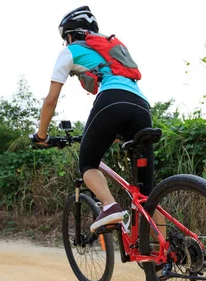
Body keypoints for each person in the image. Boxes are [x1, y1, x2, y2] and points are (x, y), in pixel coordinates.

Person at [30, 6, 152, 233]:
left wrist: (42, 135)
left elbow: (51, 100)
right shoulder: (113, 49)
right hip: (142, 107)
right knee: (147, 194)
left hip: (112, 100)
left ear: (69, 35)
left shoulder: (70, 51)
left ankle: (110, 206)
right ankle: (163, 254)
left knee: (88, 163)